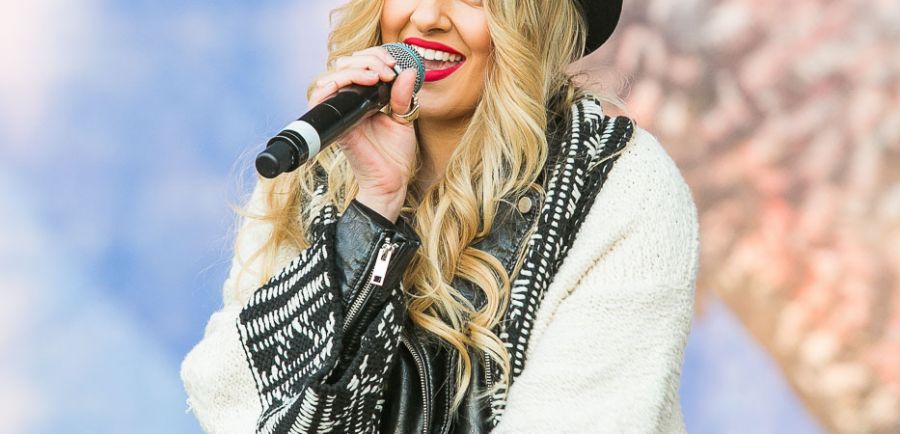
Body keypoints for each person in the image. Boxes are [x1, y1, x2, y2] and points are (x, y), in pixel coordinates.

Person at [181, 0, 700, 433]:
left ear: (536, 19)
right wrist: (371, 212)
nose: (427, 16)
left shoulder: (616, 181)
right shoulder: (313, 178)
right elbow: (236, 402)